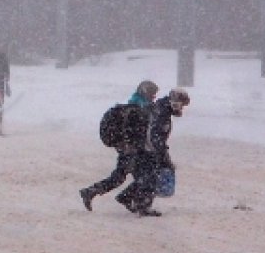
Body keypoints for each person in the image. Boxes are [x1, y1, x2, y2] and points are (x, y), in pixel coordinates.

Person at [80, 80, 158, 211]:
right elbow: (134, 131)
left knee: (125, 177)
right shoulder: (137, 108)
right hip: (131, 150)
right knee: (142, 177)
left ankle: (94, 192)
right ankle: (136, 203)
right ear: (145, 92)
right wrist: (133, 147)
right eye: (152, 94)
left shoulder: (137, 105)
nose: (153, 97)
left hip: (128, 149)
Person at [119, 88, 190, 217]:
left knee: (149, 175)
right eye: (182, 105)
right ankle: (141, 205)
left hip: (146, 147)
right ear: (176, 102)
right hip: (148, 148)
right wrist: (161, 153)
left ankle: (129, 197)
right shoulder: (161, 112)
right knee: (152, 176)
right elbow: (154, 134)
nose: (181, 109)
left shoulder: (162, 108)